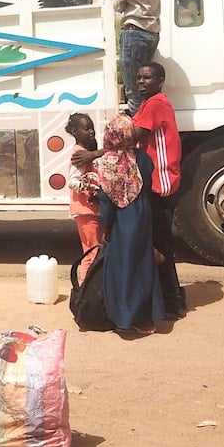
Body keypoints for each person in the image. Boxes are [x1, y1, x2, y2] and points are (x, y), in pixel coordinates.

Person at [96, 115, 164, 333]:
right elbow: (148, 186)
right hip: (142, 214)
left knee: (123, 266)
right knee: (143, 263)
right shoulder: (142, 159)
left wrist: (106, 226)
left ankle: (124, 318)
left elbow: (106, 202)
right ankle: (147, 317)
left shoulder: (106, 164)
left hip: (122, 220)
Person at [131, 62, 186, 320]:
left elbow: (130, 136)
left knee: (161, 247)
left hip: (160, 185)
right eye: (139, 78)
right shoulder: (149, 103)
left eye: (147, 78)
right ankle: (166, 298)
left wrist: (96, 153)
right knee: (156, 244)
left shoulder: (155, 104)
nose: (141, 82)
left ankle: (173, 302)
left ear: (160, 81)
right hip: (157, 183)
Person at [66, 113, 101, 283]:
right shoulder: (79, 154)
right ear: (74, 131)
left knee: (92, 250)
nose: (91, 132)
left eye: (92, 128)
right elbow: (72, 180)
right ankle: (86, 289)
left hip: (90, 210)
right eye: (86, 129)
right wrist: (90, 190)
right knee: (92, 253)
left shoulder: (86, 152)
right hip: (86, 210)